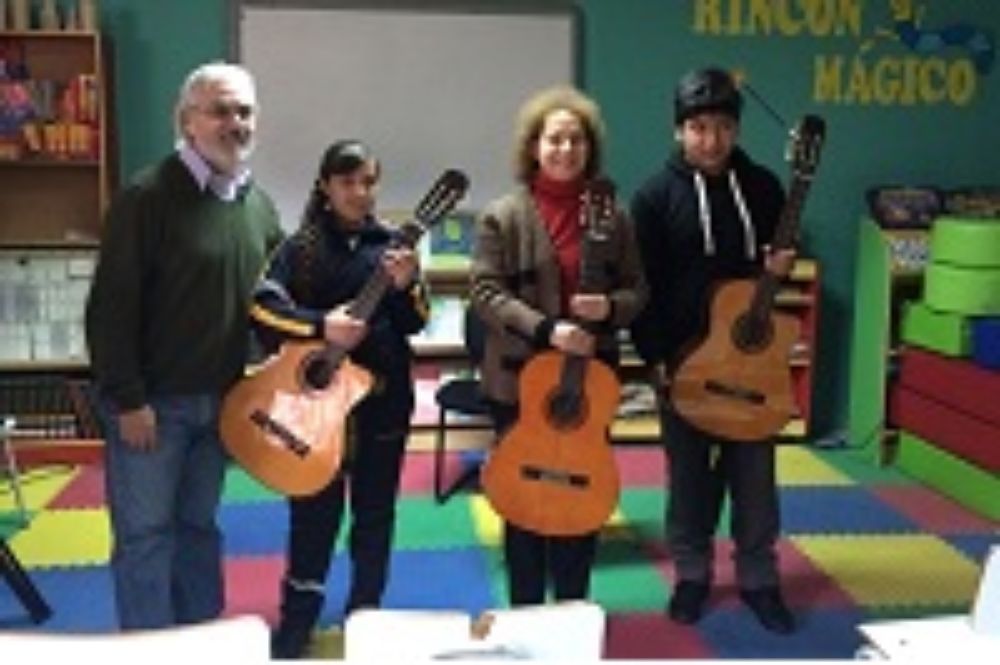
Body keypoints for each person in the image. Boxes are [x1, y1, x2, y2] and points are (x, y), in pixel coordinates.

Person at [85, 62, 284, 630]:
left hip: (221, 404)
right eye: (219, 110)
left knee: (199, 528)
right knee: (146, 535)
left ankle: (200, 639)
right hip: (151, 407)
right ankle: (149, 647)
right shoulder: (146, 198)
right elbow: (111, 307)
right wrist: (127, 399)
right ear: (188, 120)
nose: (234, 123)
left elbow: (277, 302)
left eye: (244, 111)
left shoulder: (257, 206)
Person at [628, 66, 797, 634]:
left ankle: (759, 579)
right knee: (690, 479)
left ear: (737, 130)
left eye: (723, 126)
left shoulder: (767, 188)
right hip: (683, 362)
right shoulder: (653, 197)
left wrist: (780, 265)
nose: (711, 139)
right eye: (698, 127)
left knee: (755, 480)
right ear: (679, 131)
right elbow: (641, 285)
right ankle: (693, 575)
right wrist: (654, 357)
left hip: (749, 365)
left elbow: (770, 274)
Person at [469, 85, 647, 606]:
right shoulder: (503, 216)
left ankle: (572, 607)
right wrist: (548, 330)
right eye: (554, 139)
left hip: (589, 387)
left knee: (581, 492)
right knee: (523, 499)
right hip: (517, 382)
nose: (565, 150)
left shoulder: (616, 218)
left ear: (590, 149)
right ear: (534, 147)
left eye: (576, 140)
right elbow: (484, 292)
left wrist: (610, 308)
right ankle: (525, 613)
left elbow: (639, 289)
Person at [256, 140, 429, 659]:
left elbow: (416, 321)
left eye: (368, 182)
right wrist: (319, 324)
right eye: (348, 181)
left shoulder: (394, 247)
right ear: (326, 186)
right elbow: (262, 307)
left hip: (382, 402)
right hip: (313, 410)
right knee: (312, 515)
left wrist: (407, 284)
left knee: (375, 515)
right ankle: (297, 621)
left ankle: (366, 617)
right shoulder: (300, 247)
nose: (359, 192)